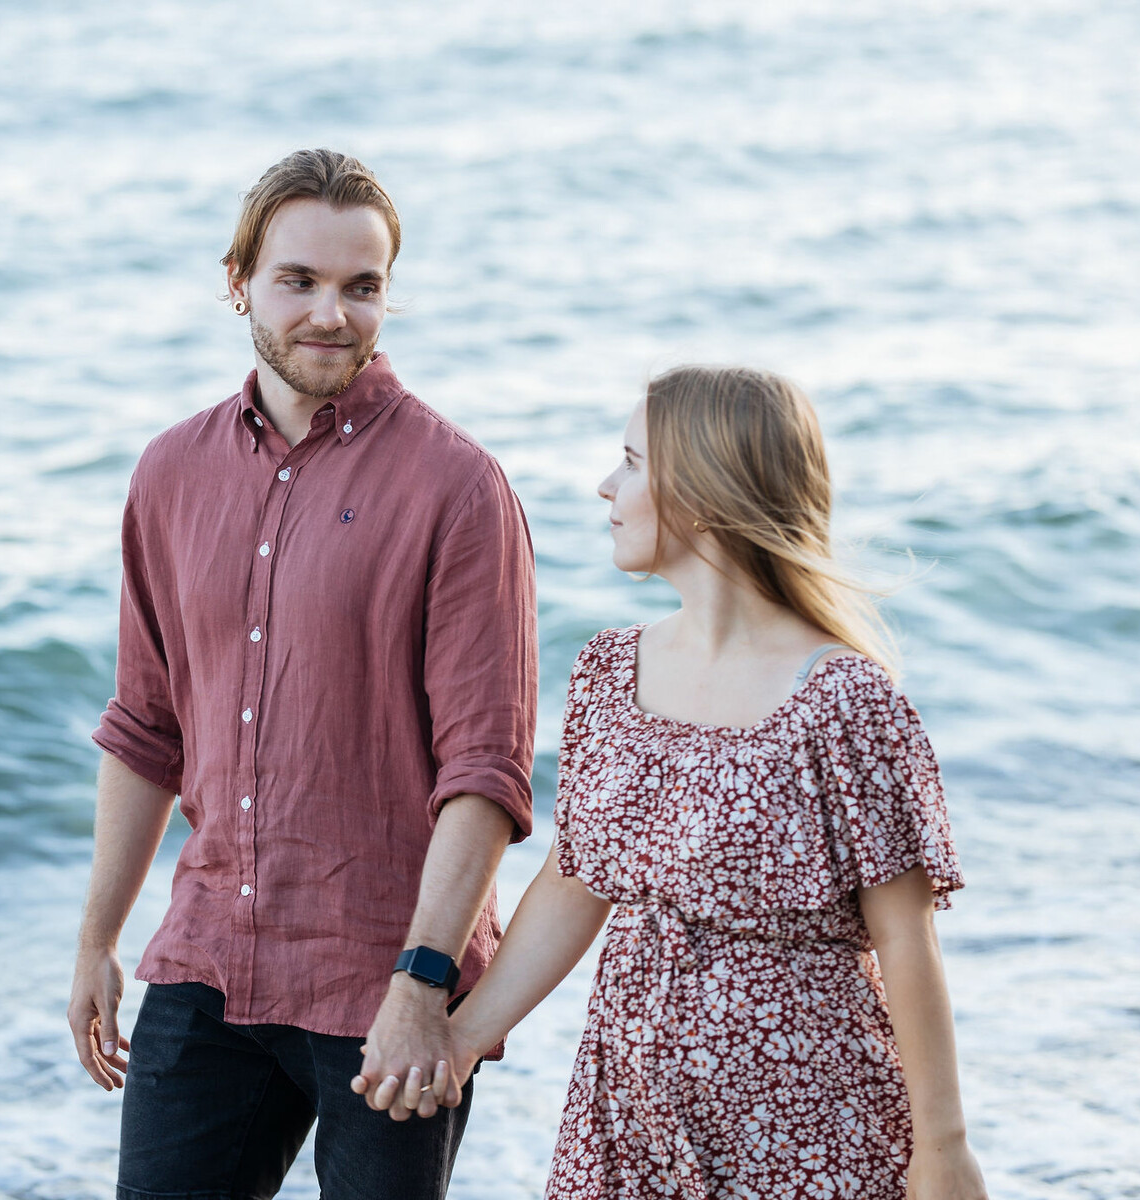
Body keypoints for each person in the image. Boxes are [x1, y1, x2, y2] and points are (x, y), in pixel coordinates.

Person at [361, 366, 989, 1198]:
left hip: (808, 1123)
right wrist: (464, 1036)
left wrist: (942, 1153)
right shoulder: (610, 672)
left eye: (630, 462)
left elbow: (907, 943)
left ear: (702, 490)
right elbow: (576, 882)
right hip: (629, 1116)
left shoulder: (844, 701)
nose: (605, 487)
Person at [67, 147, 538, 1199]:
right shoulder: (169, 473)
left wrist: (424, 982)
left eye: (361, 287)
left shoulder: (458, 489)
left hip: (386, 975)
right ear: (239, 282)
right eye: (300, 281)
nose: (332, 313)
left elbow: (487, 772)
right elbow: (146, 727)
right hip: (208, 962)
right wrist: (98, 940)